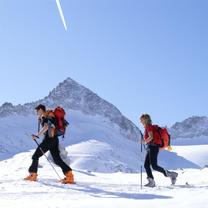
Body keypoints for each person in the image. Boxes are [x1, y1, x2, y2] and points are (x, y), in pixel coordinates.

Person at [24, 104, 75, 184]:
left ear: (40, 110)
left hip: (49, 140)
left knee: (35, 156)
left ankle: (33, 175)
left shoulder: (46, 117)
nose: (37, 112)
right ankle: (69, 176)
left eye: (37, 111)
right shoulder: (50, 115)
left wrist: (36, 135)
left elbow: (46, 127)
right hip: (54, 140)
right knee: (57, 159)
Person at [140, 114, 178, 187]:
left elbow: (151, 137)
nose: (140, 121)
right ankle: (151, 181)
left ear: (145, 119)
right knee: (146, 165)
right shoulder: (149, 127)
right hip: (152, 147)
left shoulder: (149, 127)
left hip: (153, 147)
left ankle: (171, 174)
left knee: (154, 166)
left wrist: (144, 141)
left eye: (141, 119)